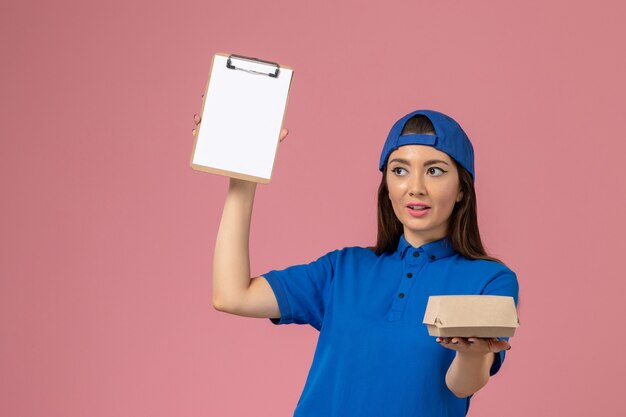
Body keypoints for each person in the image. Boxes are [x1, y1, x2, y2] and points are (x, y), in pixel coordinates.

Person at [198, 109, 519, 417]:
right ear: (387, 186)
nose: (415, 187)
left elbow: (460, 386)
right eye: (400, 170)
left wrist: (471, 352)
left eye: (435, 170)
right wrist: (242, 178)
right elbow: (232, 295)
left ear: (462, 188)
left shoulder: (491, 280)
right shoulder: (344, 269)